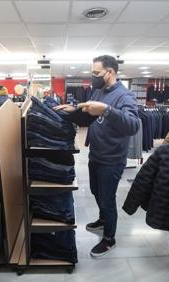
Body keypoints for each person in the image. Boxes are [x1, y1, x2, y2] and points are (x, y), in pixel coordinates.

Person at [54, 55, 140, 257]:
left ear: (110, 72)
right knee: (96, 191)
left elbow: (133, 125)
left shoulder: (125, 96)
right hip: (96, 154)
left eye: (96, 73)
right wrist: (74, 110)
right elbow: (91, 116)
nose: (93, 77)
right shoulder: (99, 91)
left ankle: (109, 239)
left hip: (112, 158)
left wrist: (107, 110)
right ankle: (102, 220)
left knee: (107, 199)